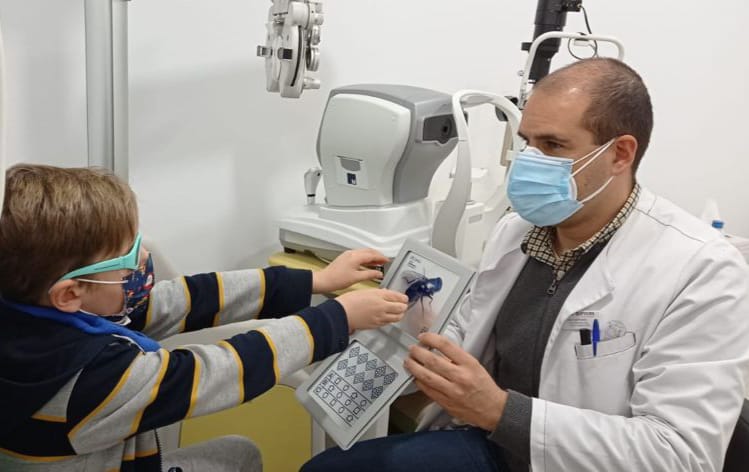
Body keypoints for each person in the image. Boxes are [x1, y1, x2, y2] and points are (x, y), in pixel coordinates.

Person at [301, 57, 749, 472]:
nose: (529, 163)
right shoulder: (516, 231)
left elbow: (680, 455)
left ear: (620, 154)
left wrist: (499, 410)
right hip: (493, 447)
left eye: (553, 145)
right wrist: (414, 341)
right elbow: (471, 325)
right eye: (527, 143)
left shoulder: (702, 270)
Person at [0, 164, 409, 471]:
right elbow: (221, 371)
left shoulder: (34, 320)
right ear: (70, 293)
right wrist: (337, 318)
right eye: (126, 261)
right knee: (241, 454)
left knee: (235, 451)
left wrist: (316, 281)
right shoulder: (93, 379)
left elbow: (186, 299)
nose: (143, 259)